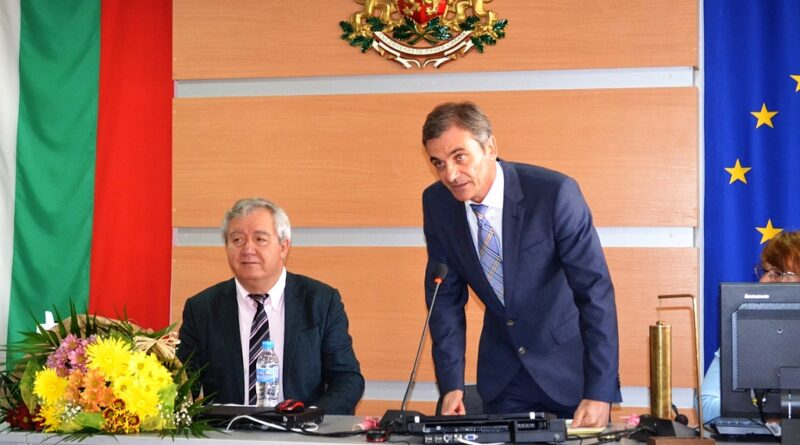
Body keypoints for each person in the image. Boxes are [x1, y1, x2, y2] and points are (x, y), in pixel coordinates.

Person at [420, 102, 621, 428]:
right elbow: (444, 300)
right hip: (505, 376)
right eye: (439, 163)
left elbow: (594, 292)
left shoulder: (554, 193)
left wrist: (600, 391)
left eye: (460, 157)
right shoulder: (438, 204)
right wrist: (451, 384)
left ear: (490, 147)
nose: (450, 175)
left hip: (570, 370)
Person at [177, 198, 365, 414]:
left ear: (283, 247)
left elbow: (347, 380)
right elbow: (183, 385)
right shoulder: (202, 309)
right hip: (228, 430)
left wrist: (310, 418)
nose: (248, 249)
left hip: (301, 429)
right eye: (237, 240)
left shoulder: (320, 301)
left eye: (260, 239)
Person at [701, 230, 800, 421]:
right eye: (765, 271)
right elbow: (706, 407)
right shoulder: (742, 332)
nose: (763, 281)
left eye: (777, 273)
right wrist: (767, 414)